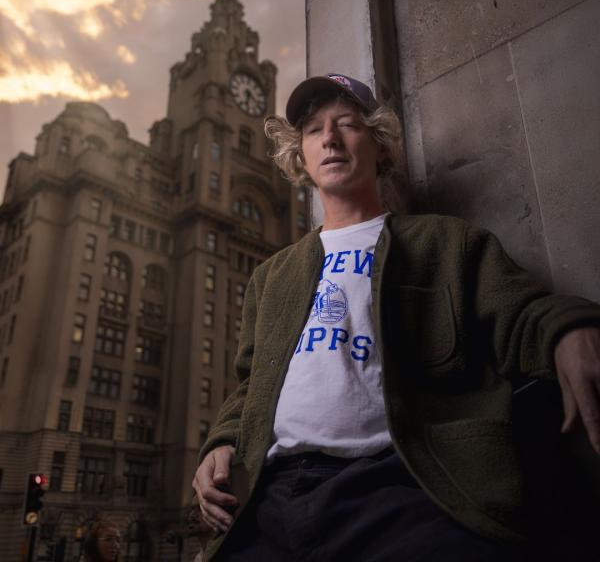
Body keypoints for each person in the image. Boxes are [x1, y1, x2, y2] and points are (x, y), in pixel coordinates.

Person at [193, 73, 600, 561]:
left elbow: (524, 311)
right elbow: (250, 383)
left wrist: (570, 329)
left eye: (348, 124)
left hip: (400, 486)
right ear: (301, 157)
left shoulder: (445, 242)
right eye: (314, 130)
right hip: (272, 501)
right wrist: (220, 442)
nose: (330, 138)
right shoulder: (271, 276)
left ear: (381, 146)